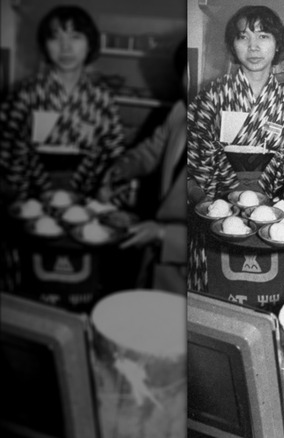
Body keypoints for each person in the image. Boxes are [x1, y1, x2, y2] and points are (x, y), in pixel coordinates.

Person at [187, 5, 284, 292]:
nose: (253, 47)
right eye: (243, 37)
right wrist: (207, 199)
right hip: (217, 218)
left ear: (278, 43)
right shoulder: (213, 94)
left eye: (263, 36)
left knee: (265, 299)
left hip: (271, 220)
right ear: (232, 44)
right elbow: (191, 155)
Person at [0, 5, 125, 203]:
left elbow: (115, 155)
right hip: (28, 203)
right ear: (44, 45)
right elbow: (6, 150)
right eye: (55, 37)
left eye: (75, 36)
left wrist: (108, 193)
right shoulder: (26, 93)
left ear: (90, 43)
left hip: (84, 204)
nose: (65, 47)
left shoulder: (103, 99)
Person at [98, 41, 188, 294]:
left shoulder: (232, 129)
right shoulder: (181, 110)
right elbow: (150, 151)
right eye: (186, 69)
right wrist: (119, 169)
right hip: (159, 265)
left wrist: (163, 234)